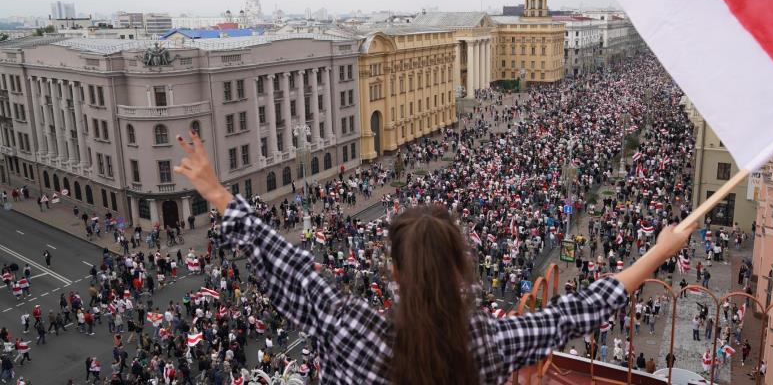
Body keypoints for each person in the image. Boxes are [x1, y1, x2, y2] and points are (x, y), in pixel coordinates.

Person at [172, 129, 698, 384]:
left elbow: (285, 264)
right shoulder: (488, 343)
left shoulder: (349, 326)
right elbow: (580, 311)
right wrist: (658, 250)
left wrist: (218, 194)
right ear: (460, 267)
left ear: (395, 271)